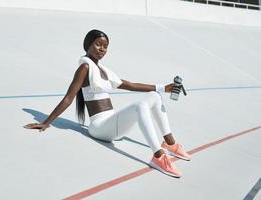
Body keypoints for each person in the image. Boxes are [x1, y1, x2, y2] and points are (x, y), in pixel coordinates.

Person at [24, 29, 191, 178]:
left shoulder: (104, 71)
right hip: (99, 127)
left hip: (112, 123)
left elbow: (130, 85)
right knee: (139, 106)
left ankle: (170, 144)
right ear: (88, 45)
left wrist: (164, 88)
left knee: (155, 95)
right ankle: (158, 157)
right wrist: (45, 122)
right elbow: (69, 98)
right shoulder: (84, 68)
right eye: (98, 44)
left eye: (105, 46)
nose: (102, 49)